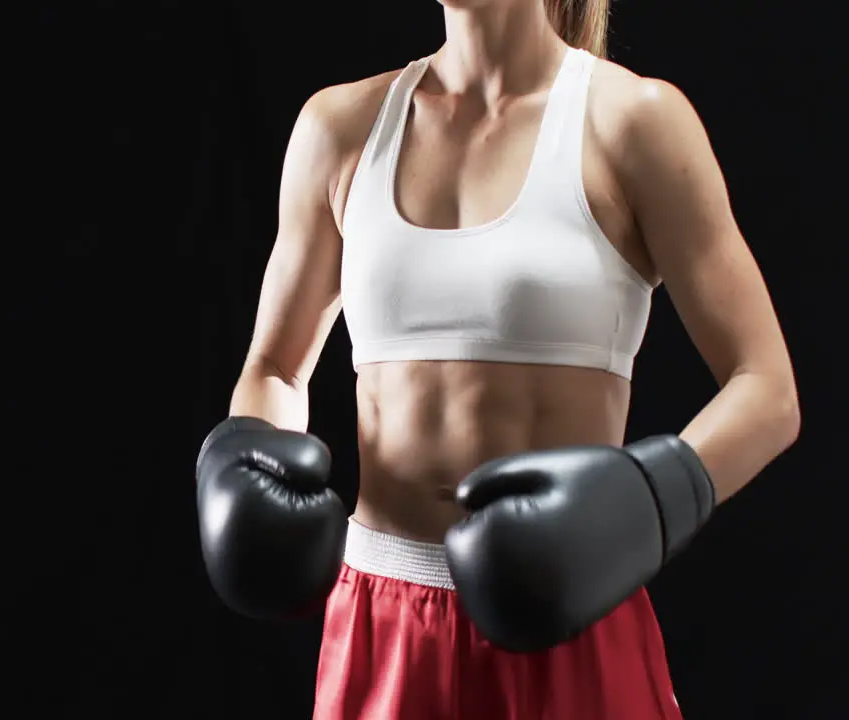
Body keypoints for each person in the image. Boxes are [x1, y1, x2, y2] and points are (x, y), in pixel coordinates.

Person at [193, 0, 801, 717]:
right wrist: (249, 454)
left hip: (570, 615)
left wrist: (644, 501)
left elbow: (768, 390)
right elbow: (275, 369)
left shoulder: (631, 120)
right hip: (381, 623)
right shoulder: (341, 128)